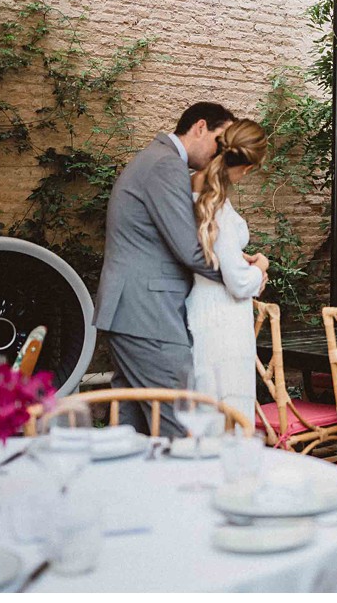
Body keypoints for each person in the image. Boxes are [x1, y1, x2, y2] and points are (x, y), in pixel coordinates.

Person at [94, 102, 255, 436]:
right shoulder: (165, 165)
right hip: (149, 314)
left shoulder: (156, 161)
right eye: (219, 141)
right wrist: (242, 272)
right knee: (182, 428)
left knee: (132, 432)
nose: (221, 153)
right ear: (199, 127)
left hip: (132, 311)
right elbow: (189, 250)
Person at [186, 119, 270, 423]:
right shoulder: (217, 205)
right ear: (248, 167)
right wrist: (260, 267)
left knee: (206, 406)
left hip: (198, 308)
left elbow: (215, 254)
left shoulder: (192, 185)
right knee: (229, 412)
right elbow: (236, 282)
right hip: (224, 319)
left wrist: (234, 255)